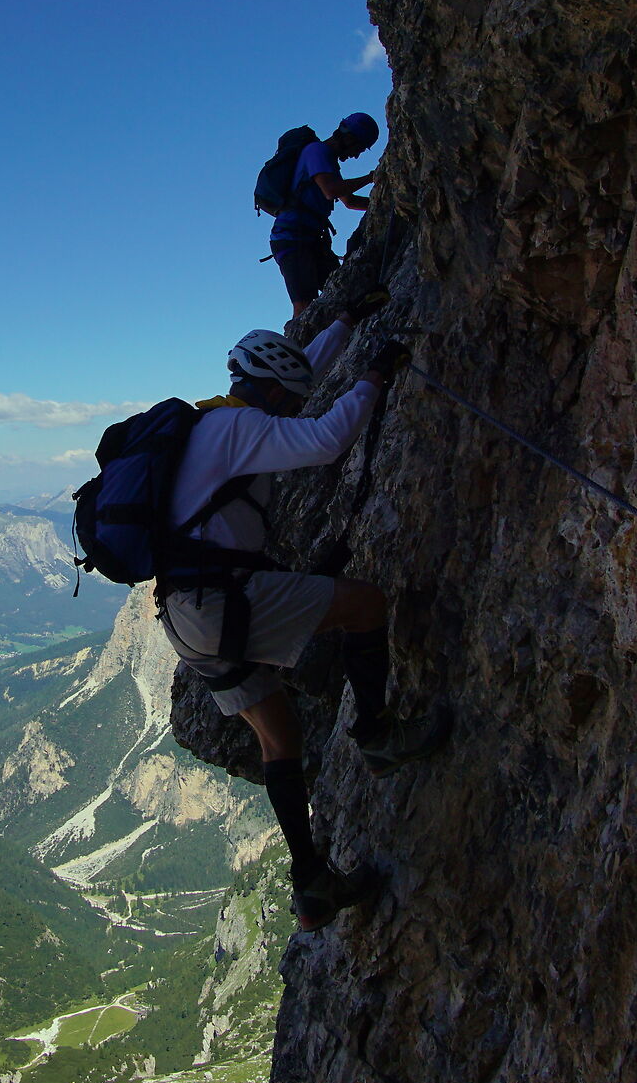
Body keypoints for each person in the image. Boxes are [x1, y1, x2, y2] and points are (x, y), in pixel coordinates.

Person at [155, 310, 447, 931]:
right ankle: (377, 734)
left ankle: (311, 885)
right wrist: (374, 373)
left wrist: (345, 319)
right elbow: (324, 439)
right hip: (222, 600)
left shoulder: (211, 420)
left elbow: (302, 369)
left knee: (280, 740)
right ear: (266, 390)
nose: (289, 407)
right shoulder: (242, 427)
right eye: (284, 397)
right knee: (365, 605)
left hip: (184, 617)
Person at [269, 112, 380, 315]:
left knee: (344, 291)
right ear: (349, 137)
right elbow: (332, 191)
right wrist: (371, 178)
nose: (356, 155)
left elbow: (350, 202)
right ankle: (301, 346)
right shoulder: (317, 151)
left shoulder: (327, 160)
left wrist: (382, 202)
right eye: (359, 147)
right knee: (303, 306)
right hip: (292, 239)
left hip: (308, 239)